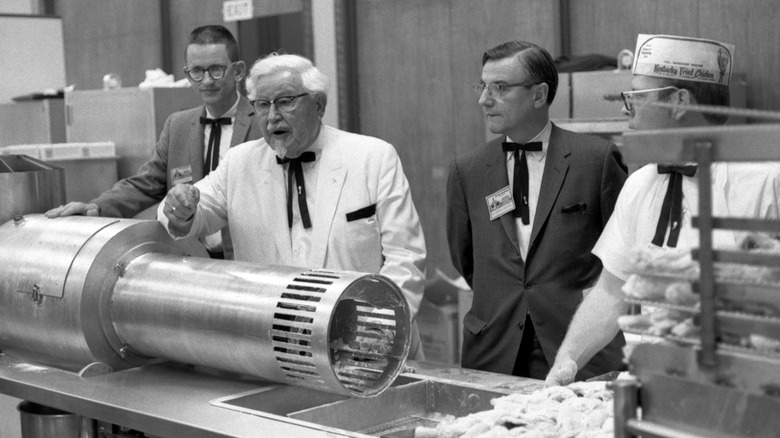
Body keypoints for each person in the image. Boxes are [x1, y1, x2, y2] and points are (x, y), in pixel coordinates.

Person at [157, 53, 427, 358]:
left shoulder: (372, 158)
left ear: (319, 105)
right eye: (262, 104)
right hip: (278, 349)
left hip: (370, 343)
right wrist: (180, 207)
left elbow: (406, 255)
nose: (272, 116)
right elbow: (196, 210)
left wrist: (377, 326)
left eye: (285, 102)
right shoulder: (239, 163)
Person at [546, 34, 780, 385]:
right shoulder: (640, 184)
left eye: (637, 96)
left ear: (679, 101)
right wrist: (567, 361)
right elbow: (611, 291)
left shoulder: (766, 179)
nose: (627, 108)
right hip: (657, 380)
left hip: (746, 384)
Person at [446, 41, 628, 380]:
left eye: (500, 88)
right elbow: (466, 258)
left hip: (577, 349)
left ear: (539, 94)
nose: (484, 99)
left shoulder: (596, 160)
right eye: (482, 86)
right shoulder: (468, 170)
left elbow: (621, 256)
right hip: (494, 347)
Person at [45, 24, 262, 260]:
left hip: (246, 260)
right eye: (197, 71)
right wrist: (96, 207)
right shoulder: (178, 125)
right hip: (191, 258)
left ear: (238, 71)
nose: (207, 80)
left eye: (216, 70)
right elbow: (143, 185)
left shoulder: (263, 125)